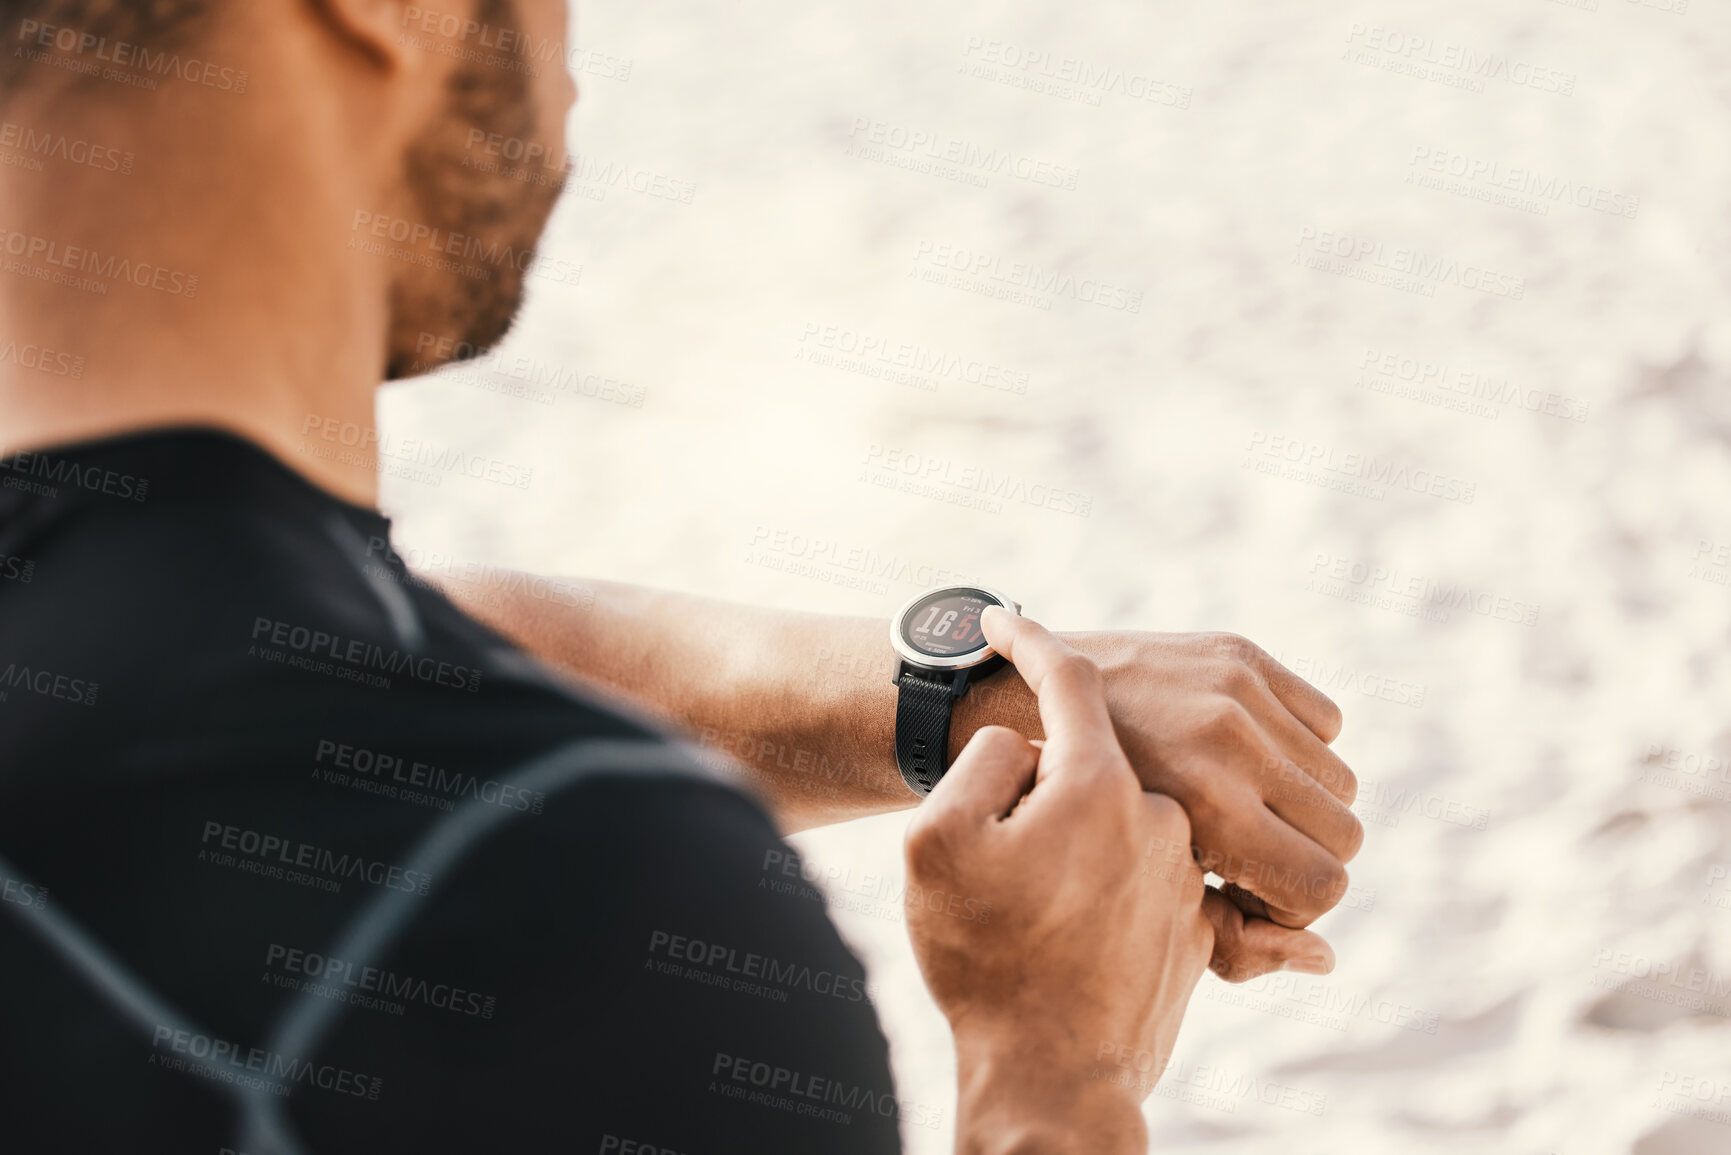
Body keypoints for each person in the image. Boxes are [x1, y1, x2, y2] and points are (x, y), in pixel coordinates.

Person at [0, 1, 1361, 1150]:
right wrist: (1053, 1071)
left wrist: (953, 700)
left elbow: (286, 678)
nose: (572, 57)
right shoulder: (588, 908)